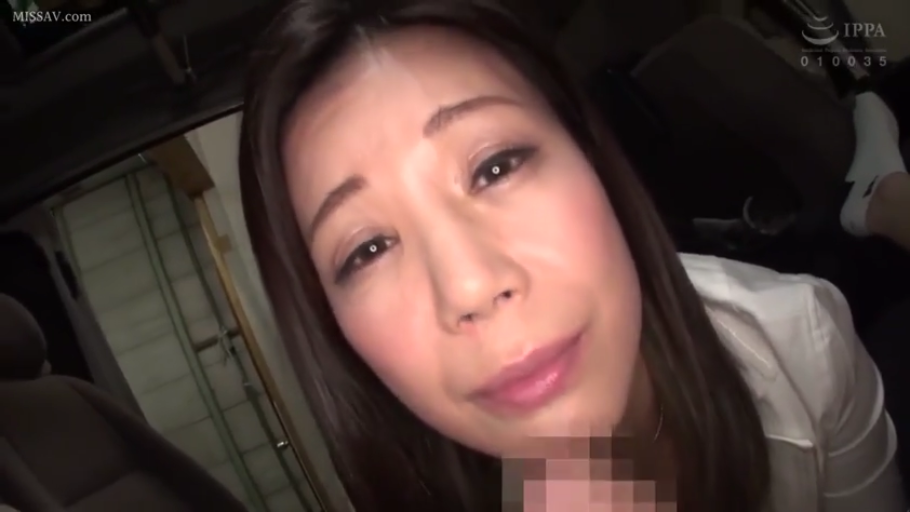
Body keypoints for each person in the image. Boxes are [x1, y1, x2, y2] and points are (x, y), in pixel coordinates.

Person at [237, 0, 905, 510]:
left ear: (590, 155)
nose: (469, 285)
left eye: (495, 167)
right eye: (368, 248)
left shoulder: (799, 338)